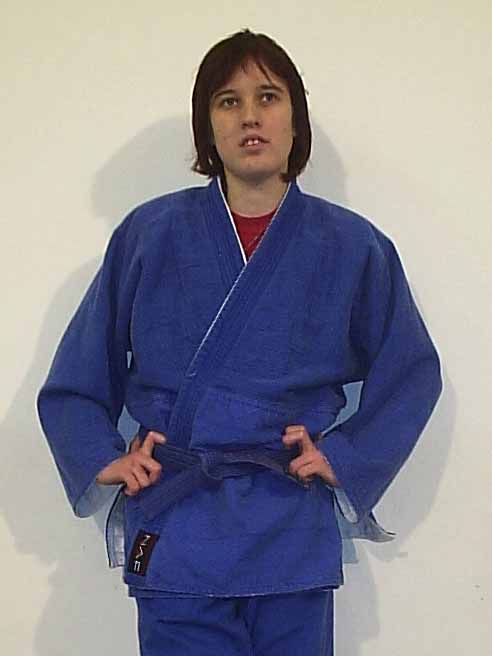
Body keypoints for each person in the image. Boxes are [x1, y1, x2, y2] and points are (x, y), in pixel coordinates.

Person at [37, 28, 442, 656]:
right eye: (228, 101)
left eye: (268, 97)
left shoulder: (353, 245)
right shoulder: (149, 235)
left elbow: (411, 371)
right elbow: (78, 376)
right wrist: (100, 454)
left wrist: (347, 456)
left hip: (288, 518)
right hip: (179, 518)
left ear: (295, 120)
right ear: (208, 127)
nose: (249, 116)